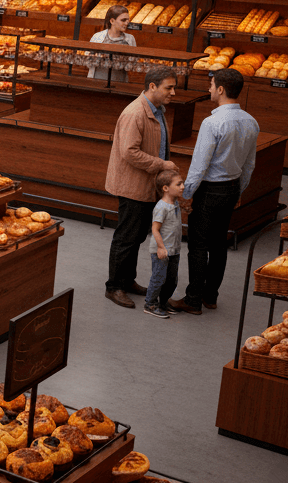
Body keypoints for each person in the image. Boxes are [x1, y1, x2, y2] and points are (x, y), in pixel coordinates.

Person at [171, 69, 259, 315]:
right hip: (231, 187)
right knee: (219, 244)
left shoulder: (212, 123)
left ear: (220, 89)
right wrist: (239, 190)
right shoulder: (251, 122)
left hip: (209, 190)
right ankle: (210, 296)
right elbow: (249, 164)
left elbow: (200, 165)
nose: (209, 88)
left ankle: (192, 300)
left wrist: (186, 193)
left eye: (211, 85)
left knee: (198, 245)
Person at [103, 65, 179, 309]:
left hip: (146, 186)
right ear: (152, 86)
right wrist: (161, 164)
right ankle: (114, 287)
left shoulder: (157, 110)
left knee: (136, 237)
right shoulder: (135, 113)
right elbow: (130, 152)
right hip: (132, 186)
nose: (173, 93)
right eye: (169, 88)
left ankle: (127, 280)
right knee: (126, 238)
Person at [144, 169, 184, 319]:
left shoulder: (175, 203)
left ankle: (163, 303)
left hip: (174, 250)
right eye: (178, 184)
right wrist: (160, 247)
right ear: (166, 188)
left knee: (171, 280)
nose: (183, 186)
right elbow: (155, 229)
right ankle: (150, 304)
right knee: (159, 278)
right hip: (162, 250)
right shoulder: (161, 207)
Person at [87, 4, 134, 81]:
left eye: (128, 20)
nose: (126, 23)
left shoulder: (130, 39)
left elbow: (132, 65)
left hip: (120, 82)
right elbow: (88, 61)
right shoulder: (97, 37)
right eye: (123, 20)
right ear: (112, 21)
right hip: (97, 81)